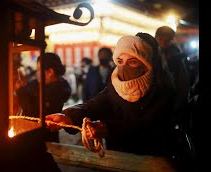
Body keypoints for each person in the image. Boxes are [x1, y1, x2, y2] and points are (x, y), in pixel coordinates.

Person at [45, 33, 178, 158]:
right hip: (118, 154)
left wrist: (108, 128)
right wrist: (69, 116)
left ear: (147, 64)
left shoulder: (163, 89)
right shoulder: (115, 83)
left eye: (132, 62)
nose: (124, 67)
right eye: (120, 61)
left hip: (152, 158)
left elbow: (147, 126)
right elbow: (97, 103)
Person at [15, 52, 72, 142]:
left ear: (50, 72)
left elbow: (32, 112)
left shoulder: (57, 90)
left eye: (39, 70)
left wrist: (21, 92)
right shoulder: (40, 84)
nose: (37, 73)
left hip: (44, 136)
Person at [155, 26, 191, 125]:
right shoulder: (149, 54)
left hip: (169, 104)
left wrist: (177, 105)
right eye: (161, 39)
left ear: (171, 40)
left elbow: (183, 84)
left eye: (167, 40)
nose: (163, 43)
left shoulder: (177, 58)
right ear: (156, 38)